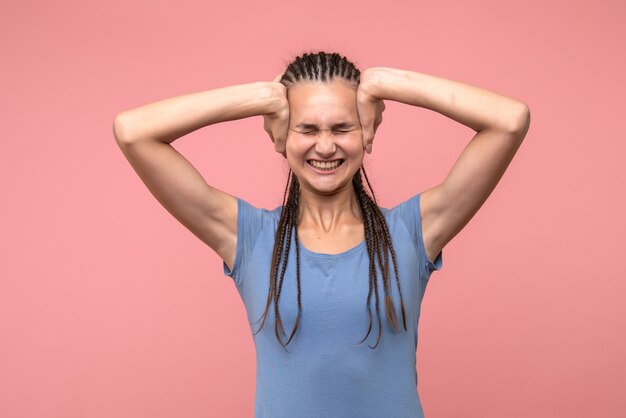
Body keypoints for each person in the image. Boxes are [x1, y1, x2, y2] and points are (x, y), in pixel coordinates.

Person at [112, 51, 530, 418]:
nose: (325, 146)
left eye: (342, 128)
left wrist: (385, 83)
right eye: (307, 129)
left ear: (366, 131)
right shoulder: (250, 237)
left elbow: (510, 121)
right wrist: (263, 97)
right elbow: (133, 131)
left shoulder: (412, 231)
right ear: (280, 136)